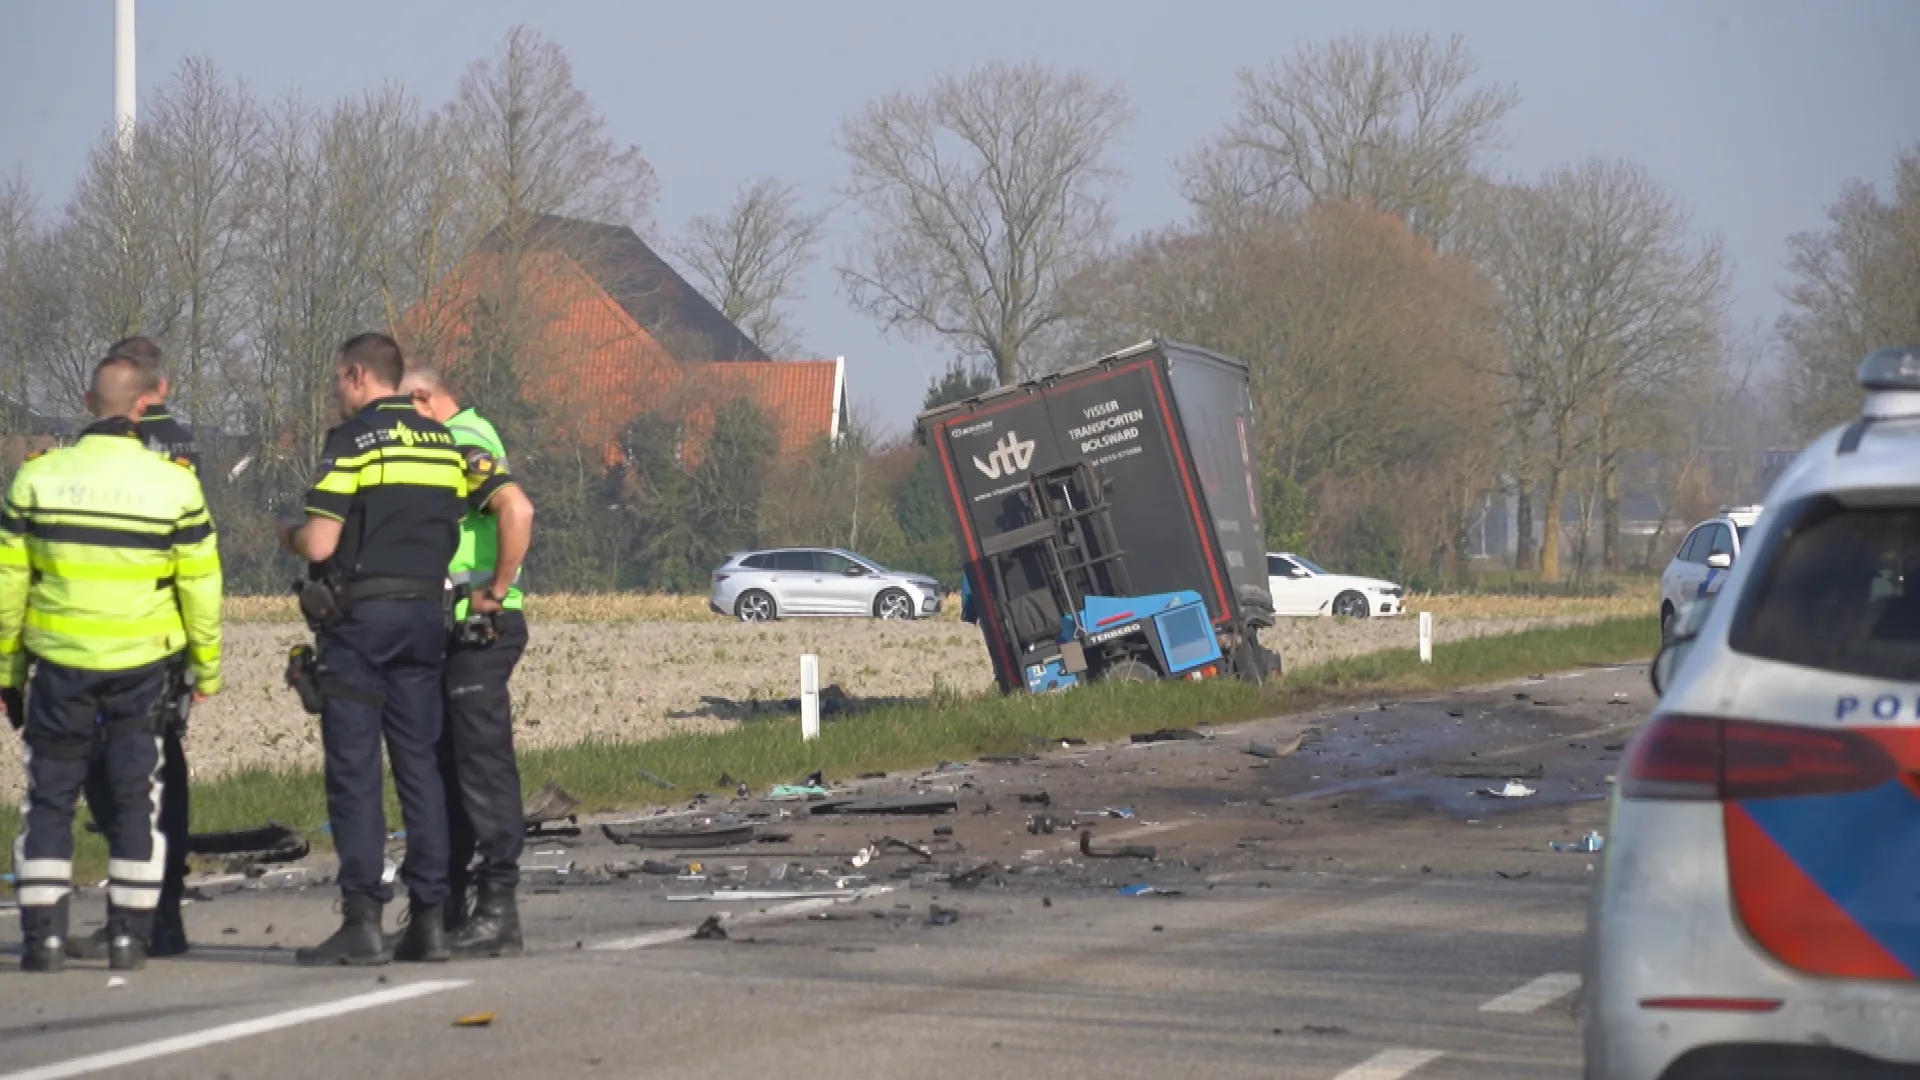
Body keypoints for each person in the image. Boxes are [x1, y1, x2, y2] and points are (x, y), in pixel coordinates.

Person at [1, 354, 224, 973]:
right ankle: (129, 936)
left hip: (59, 665)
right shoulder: (174, 485)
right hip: (140, 667)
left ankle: (42, 939)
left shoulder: (37, 480)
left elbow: (9, 584)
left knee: (48, 799)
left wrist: (7, 671)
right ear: (141, 405)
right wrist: (206, 667)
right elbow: (201, 584)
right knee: (134, 799)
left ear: (86, 398)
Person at [278, 333, 467, 967]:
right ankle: (431, 922)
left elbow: (321, 543)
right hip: (425, 620)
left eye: (339, 379)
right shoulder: (443, 441)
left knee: (356, 773)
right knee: (420, 770)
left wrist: (290, 536)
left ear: (359, 375)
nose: (336, 390)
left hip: (363, 624)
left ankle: (361, 920)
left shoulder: (353, 439)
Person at [65, 337, 201, 961]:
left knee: (112, 775)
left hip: (103, 631)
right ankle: (164, 910)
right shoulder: (185, 444)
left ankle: (135, 912)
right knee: (160, 767)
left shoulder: (104, 447)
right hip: (166, 627)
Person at [399, 364, 534, 958]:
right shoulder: (456, 436)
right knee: (448, 767)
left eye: (405, 414)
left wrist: (496, 591)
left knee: (481, 768)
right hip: (453, 627)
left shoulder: (464, 441)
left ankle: (497, 909)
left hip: (482, 625)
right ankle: (449, 905)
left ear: (424, 398)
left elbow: (517, 510)